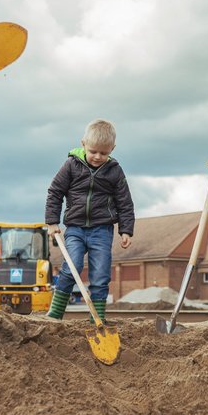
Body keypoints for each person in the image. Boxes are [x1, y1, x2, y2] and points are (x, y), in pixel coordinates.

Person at [44, 119, 135, 322]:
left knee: (101, 275)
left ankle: (97, 318)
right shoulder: (71, 165)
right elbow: (55, 192)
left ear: (112, 149)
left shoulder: (114, 171)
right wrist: (52, 222)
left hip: (101, 230)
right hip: (75, 229)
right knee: (72, 266)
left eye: (104, 153)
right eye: (93, 151)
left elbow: (125, 202)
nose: (97, 157)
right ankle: (56, 312)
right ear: (83, 144)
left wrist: (126, 230)